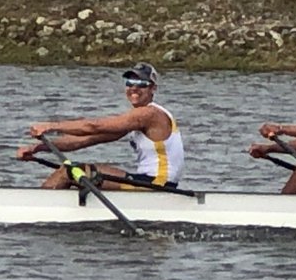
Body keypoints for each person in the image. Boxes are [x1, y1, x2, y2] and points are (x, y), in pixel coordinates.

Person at [18, 62, 185, 189]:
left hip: (157, 184)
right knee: (76, 173)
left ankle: (38, 209)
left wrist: (51, 126)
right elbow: (85, 139)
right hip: (148, 180)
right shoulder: (139, 120)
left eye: (141, 83)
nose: (134, 88)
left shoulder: (148, 114)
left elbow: (93, 126)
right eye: (129, 82)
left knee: (68, 171)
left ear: (153, 88)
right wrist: (37, 148)